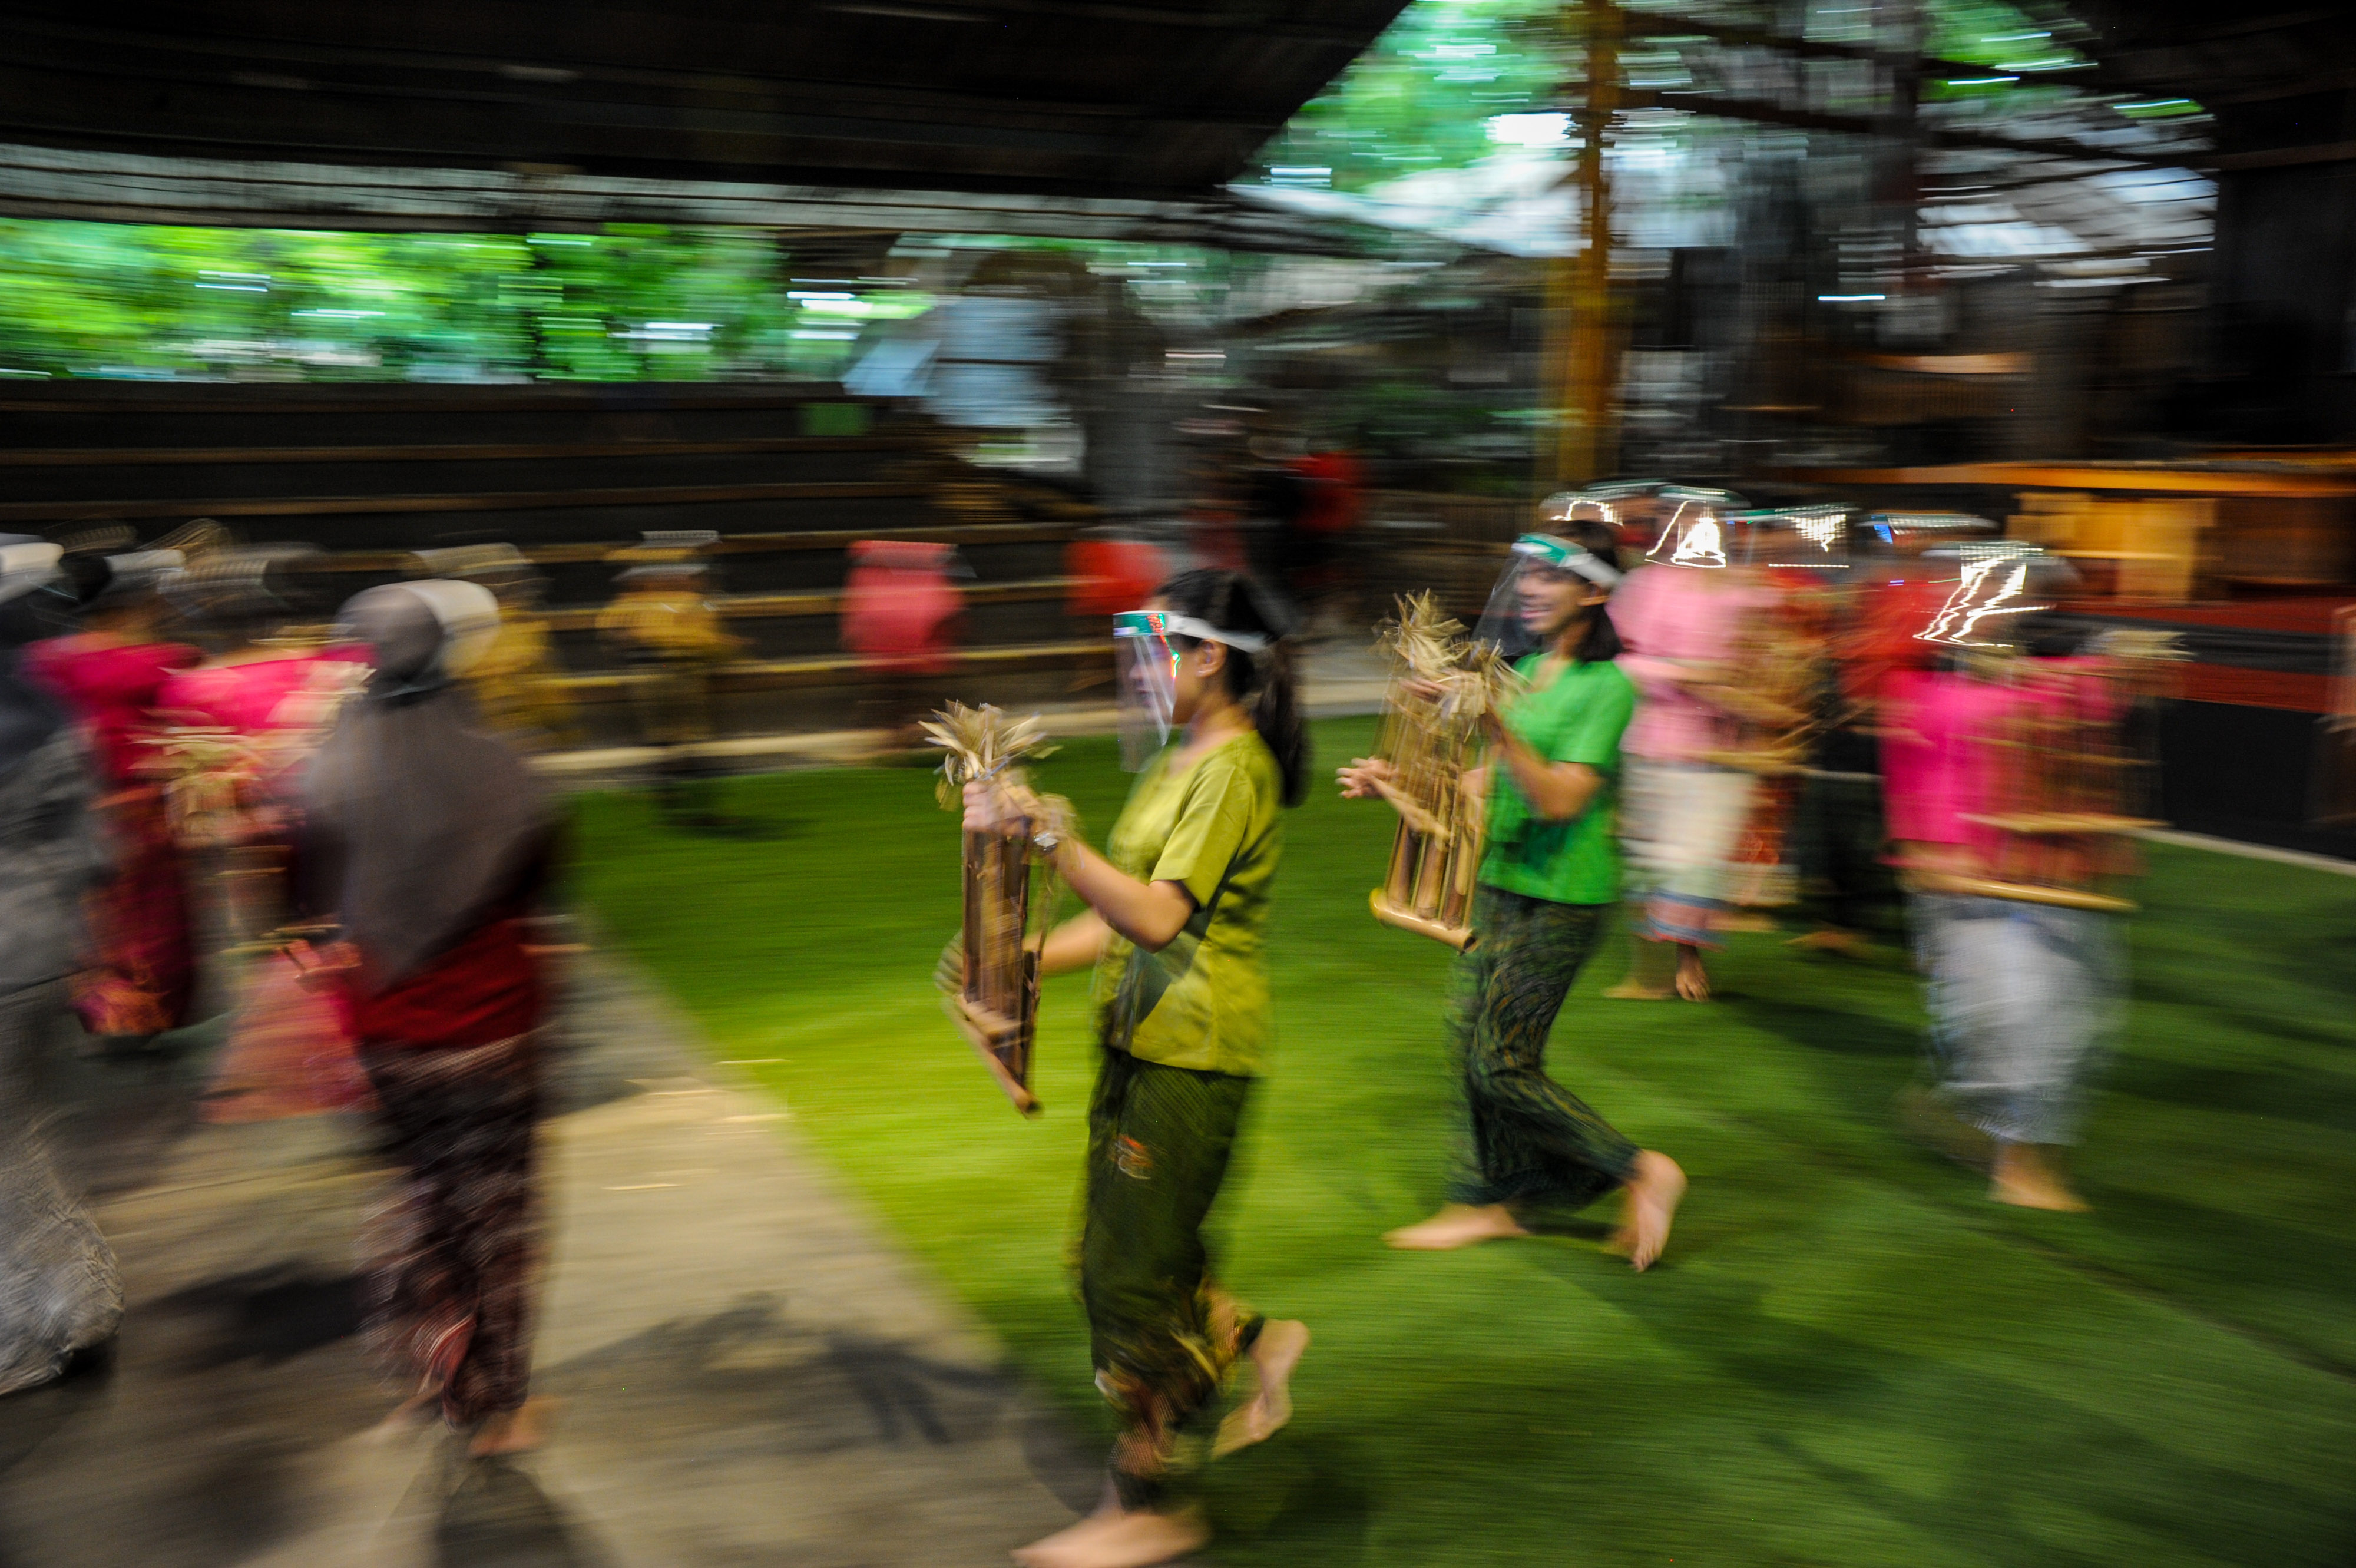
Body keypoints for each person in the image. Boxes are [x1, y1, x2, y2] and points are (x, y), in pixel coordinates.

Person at [961, 568, 1311, 1568]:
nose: (1140, 672)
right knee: (1119, 1257)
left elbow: (1160, 915)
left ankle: (1151, 1499)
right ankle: (1254, 1338)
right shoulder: (1179, 758)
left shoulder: (1233, 768)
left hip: (1197, 1052)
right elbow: (1120, 916)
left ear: (1209, 655)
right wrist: (1018, 957)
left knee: (1122, 1274)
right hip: (1136, 1035)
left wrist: (1057, 835)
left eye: (1155, 649)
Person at [1339, 521, 1686, 1262]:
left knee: (1500, 1062)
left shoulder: (1608, 687)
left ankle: (1641, 1171)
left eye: (1549, 577)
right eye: (1525, 574)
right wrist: (1392, 783)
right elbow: (1480, 786)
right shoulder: (1526, 671)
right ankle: (1486, 1203)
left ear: (1593, 591)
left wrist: (1495, 721)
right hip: (1500, 882)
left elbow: (1559, 798)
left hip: (1565, 895)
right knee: (1466, 1042)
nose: (1529, 589)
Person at [298, 581, 564, 1454]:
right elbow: (539, 882)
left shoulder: (330, 765)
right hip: (493, 1022)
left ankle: (428, 1362)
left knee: (418, 1196)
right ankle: (501, 1402)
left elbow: (302, 892)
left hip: (386, 1025)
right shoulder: (503, 761)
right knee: (496, 1209)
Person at [1881, 548, 2127, 1213]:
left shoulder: (2048, 679)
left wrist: (2129, 661)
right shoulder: (1920, 685)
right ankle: (2020, 1166)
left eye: (2012, 589)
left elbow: (2098, 701)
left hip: (2043, 878)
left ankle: (1975, 1121)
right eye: (1984, 586)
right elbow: (1908, 777)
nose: (1999, 599)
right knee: (2020, 1020)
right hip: (1964, 886)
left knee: (2069, 1018)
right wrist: (1923, 852)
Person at [0, 537, 123, 1392]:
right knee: (22, 1136)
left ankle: (27, 1335)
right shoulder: (50, 709)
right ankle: (80, 1297)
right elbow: (94, 854)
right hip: (42, 953)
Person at [1605, 491, 1779, 1001]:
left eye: (1700, 524)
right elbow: (1619, 661)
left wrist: (1740, 692)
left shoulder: (1744, 592)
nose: (1684, 533)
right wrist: (1686, 676)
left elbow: (1763, 664)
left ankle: (1687, 954)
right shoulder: (1644, 586)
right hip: (1655, 741)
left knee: (1698, 860)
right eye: (1674, 524)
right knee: (1650, 856)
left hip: (1719, 748)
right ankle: (1647, 970)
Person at [23, 548, 200, 1044]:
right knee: (150, 919)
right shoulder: (156, 661)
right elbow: (181, 730)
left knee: (95, 916)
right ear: (127, 605)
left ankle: (105, 1012)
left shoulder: (41, 662)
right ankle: (148, 1014)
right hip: (139, 814)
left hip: (73, 811)